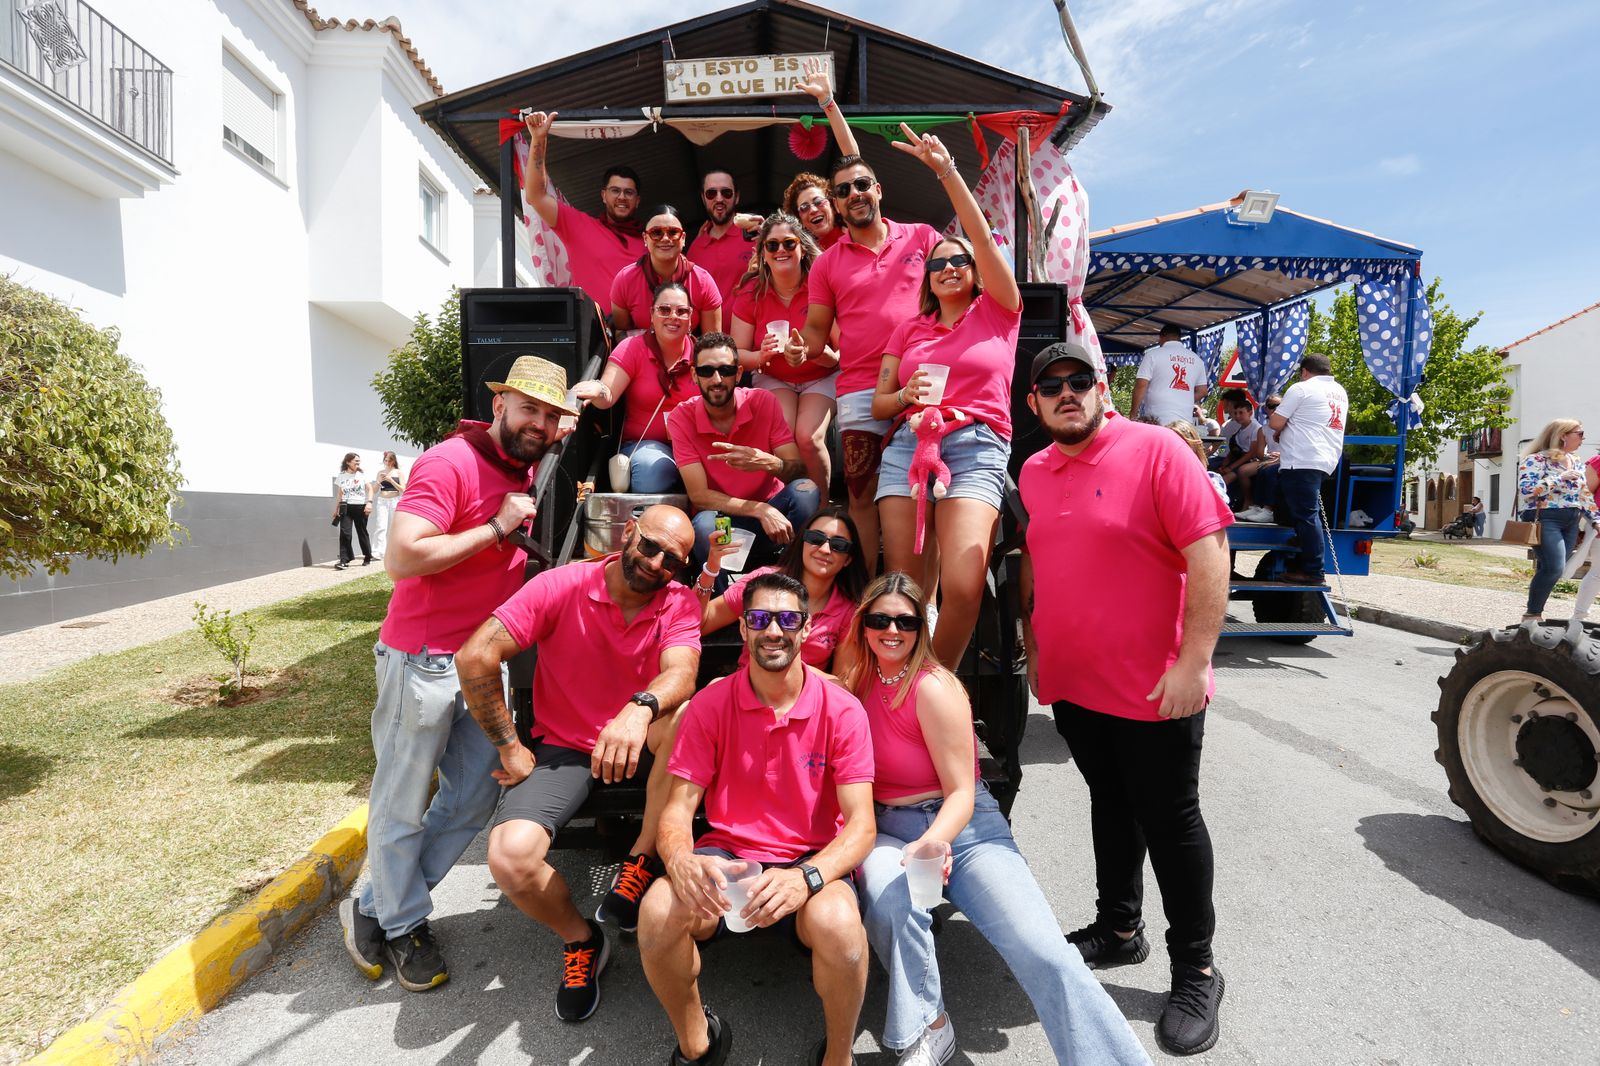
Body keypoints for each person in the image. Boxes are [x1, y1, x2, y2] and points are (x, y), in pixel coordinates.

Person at [1018, 340, 1233, 1057]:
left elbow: (1209, 553)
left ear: (1104, 388)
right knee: (1109, 803)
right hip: (1077, 686)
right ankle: (1119, 929)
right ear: (1035, 404)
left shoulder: (1158, 451)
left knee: (1170, 822)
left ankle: (1197, 969)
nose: (1068, 392)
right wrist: (1041, 655)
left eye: (1081, 380)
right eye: (1052, 386)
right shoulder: (1035, 471)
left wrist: (1193, 660)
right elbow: (1043, 570)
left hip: (1155, 686)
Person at [838, 573, 1150, 1066]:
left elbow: (963, 791)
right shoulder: (857, 677)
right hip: (885, 827)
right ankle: (929, 1028)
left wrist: (936, 841)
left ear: (922, 627)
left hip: (961, 827)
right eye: (880, 619)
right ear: (863, 625)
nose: (891, 630)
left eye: (905, 620)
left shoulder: (936, 688)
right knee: (891, 904)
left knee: (1043, 951)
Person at [337, 355, 577, 993]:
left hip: (477, 662)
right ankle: (405, 922)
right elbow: (403, 557)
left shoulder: (525, 456)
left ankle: (375, 903)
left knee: (474, 793)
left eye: (550, 416)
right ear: (497, 405)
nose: (540, 422)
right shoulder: (451, 462)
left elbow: (566, 419)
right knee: (401, 800)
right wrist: (497, 527)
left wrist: (569, 412)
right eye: (528, 408)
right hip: (420, 659)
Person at [453, 505, 702, 1021]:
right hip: (567, 748)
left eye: (672, 560)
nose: (656, 564)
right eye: (650, 546)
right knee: (509, 856)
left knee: (682, 720)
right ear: (628, 532)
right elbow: (475, 655)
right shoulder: (562, 584)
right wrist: (509, 746)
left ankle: (638, 861)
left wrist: (638, 709)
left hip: (643, 742)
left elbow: (683, 673)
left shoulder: (677, 602)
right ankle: (582, 939)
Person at [637, 572, 877, 1066]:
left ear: (806, 629)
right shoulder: (711, 702)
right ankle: (698, 1043)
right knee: (657, 913)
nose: (774, 630)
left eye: (788, 618)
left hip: (810, 857)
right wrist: (680, 859)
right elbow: (677, 810)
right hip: (727, 855)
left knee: (840, 928)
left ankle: (838, 1057)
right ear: (743, 629)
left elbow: (861, 825)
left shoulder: (843, 710)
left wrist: (806, 877)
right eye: (760, 618)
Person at [869, 123, 1020, 667]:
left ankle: (940, 687)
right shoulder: (908, 332)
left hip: (975, 447)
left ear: (977, 272)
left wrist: (948, 173)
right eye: (938, 263)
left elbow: (979, 237)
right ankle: (901, 691)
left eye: (959, 261)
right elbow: (881, 405)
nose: (950, 267)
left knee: (963, 588)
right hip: (908, 447)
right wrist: (907, 393)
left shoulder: (1000, 313)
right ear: (927, 280)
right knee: (902, 596)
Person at [803, 155, 942, 571]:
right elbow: (815, 331)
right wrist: (800, 349)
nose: (854, 195)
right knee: (862, 495)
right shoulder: (826, 263)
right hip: (861, 388)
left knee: (926, 493)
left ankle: (924, 604)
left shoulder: (922, 237)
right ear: (836, 205)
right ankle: (862, 591)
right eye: (843, 191)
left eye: (861, 184)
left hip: (923, 381)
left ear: (878, 189)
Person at [669, 333, 822, 576]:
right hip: (725, 522)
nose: (717, 379)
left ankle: (794, 583)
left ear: (739, 374)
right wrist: (758, 509)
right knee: (705, 523)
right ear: (694, 375)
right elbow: (699, 496)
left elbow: (798, 470)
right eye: (707, 371)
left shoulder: (763, 401)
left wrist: (767, 462)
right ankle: (719, 602)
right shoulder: (681, 417)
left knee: (806, 490)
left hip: (773, 523)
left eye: (726, 370)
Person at [728, 212, 840, 490]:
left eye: (789, 244)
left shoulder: (822, 285)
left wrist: (814, 352)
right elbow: (736, 353)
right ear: (763, 253)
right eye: (772, 245)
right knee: (783, 436)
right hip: (775, 376)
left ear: (802, 249)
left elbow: (840, 355)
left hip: (821, 375)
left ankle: (819, 513)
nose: (781, 250)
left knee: (808, 437)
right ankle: (789, 504)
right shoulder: (751, 292)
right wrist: (760, 356)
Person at [700, 505, 868, 674]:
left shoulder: (848, 610)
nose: (825, 550)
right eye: (815, 538)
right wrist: (711, 568)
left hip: (806, 697)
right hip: (746, 691)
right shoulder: (763, 581)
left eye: (839, 545)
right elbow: (700, 623)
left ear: (848, 559)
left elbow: (841, 683)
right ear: (802, 541)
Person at [573, 281, 700, 493]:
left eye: (682, 311)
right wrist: (598, 389)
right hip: (646, 446)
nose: (673, 316)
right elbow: (608, 393)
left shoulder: (702, 353)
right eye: (664, 309)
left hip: (697, 446)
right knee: (652, 471)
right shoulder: (632, 347)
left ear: (691, 316)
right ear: (652, 314)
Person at [522, 111, 644, 309]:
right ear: (603, 195)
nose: (622, 197)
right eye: (615, 191)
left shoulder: (654, 241)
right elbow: (536, 196)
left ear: (637, 200)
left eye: (629, 192)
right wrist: (539, 138)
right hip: (593, 335)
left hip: (640, 337)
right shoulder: (579, 225)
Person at [1268, 352, 1348, 583]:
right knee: (1295, 504)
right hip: (1326, 458)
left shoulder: (1301, 388)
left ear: (1304, 371)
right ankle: (1303, 540)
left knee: (1306, 515)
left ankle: (1314, 571)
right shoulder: (1340, 391)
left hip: (1301, 458)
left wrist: (1285, 423)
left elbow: (1275, 422)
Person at [1516, 419, 1598, 622]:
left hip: (1571, 520)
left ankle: (1533, 613)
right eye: (1579, 433)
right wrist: (1559, 479)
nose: (1583, 438)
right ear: (1563, 435)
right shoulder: (1536, 459)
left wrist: (1596, 520)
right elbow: (1527, 490)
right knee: (1554, 567)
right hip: (1545, 517)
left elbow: (1585, 495)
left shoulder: (1576, 461)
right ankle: (1532, 614)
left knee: (1552, 568)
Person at [610, 205, 723, 333]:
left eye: (673, 232)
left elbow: (713, 344)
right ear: (645, 238)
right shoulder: (625, 280)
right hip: (640, 352)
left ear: (683, 238)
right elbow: (621, 336)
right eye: (656, 233)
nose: (665, 239)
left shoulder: (703, 281)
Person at [687, 169, 762, 302]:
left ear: (737, 197)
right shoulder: (695, 249)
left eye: (726, 192)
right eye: (711, 193)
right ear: (703, 198)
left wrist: (769, 237)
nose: (719, 198)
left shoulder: (756, 234)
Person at [1131, 325, 1207, 426]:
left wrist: (1133, 414)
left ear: (1161, 337)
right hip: (1184, 423)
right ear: (1179, 338)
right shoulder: (1197, 360)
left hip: (1157, 420)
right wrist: (1183, 399)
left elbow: (1141, 385)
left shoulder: (1152, 355)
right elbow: (1202, 391)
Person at [1216, 395, 1271, 520]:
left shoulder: (1255, 428)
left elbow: (1251, 452)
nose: (1237, 416)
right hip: (1237, 459)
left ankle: (1247, 503)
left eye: (1241, 413)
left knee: (1224, 480)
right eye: (1235, 413)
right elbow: (1234, 450)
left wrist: (1231, 467)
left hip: (1249, 460)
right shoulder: (1240, 429)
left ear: (1250, 413)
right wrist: (1225, 464)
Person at [1561, 454, 1600, 621]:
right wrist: (1574, 526)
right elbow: (1585, 495)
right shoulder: (1598, 461)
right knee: (1598, 572)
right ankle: (1579, 616)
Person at [331, 452, 373, 570]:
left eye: (359, 461)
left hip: (360, 507)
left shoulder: (362, 475)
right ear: (348, 462)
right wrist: (336, 509)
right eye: (356, 461)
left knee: (362, 532)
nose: (358, 463)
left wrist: (369, 503)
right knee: (345, 533)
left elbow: (370, 489)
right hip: (345, 507)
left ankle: (367, 556)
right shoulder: (341, 476)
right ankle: (344, 560)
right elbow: (340, 493)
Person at [370, 451, 404, 560]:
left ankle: (395, 551)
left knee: (394, 527)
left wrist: (391, 480)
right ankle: (378, 552)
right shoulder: (380, 472)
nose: (387, 462)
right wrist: (378, 481)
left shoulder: (398, 472)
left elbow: (403, 489)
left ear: (394, 460)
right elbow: (374, 491)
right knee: (381, 526)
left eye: (390, 460)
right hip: (382, 501)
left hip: (395, 500)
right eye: (386, 460)